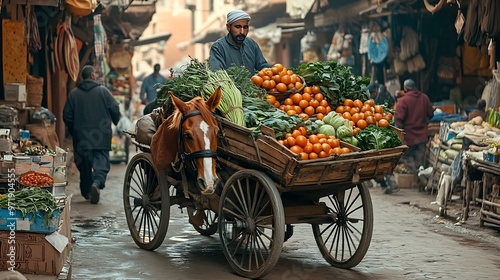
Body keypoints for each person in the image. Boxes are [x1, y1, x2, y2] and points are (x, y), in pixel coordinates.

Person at [63, 65, 121, 204]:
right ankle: (97, 182)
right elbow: (115, 108)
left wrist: (74, 130)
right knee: (101, 163)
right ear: (92, 76)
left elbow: (67, 115)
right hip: (101, 136)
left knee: (84, 166)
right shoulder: (103, 92)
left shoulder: (73, 94)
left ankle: (87, 190)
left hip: (81, 138)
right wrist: (115, 121)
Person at [208, 10, 270, 76]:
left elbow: (263, 66)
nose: (242, 32)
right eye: (238, 27)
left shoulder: (251, 44)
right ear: (228, 27)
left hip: (252, 86)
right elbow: (217, 74)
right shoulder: (218, 47)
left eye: (245, 27)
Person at [395, 79, 434, 175]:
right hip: (422, 135)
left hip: (409, 137)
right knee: (420, 160)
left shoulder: (403, 100)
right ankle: (418, 179)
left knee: (407, 158)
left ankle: (411, 178)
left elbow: (398, 119)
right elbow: (431, 114)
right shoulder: (424, 98)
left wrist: (401, 135)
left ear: (405, 88)